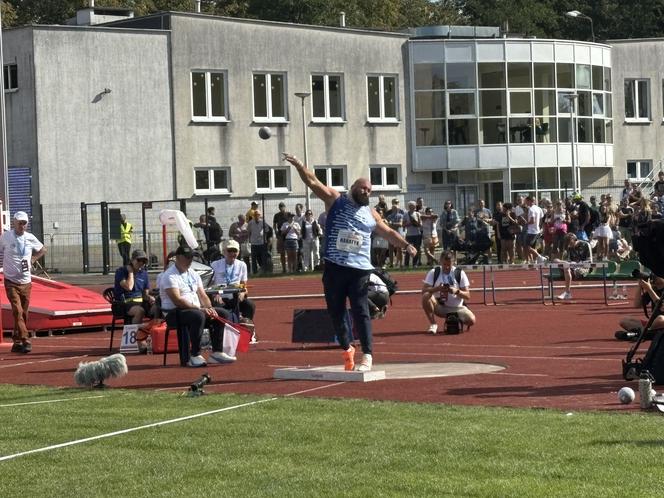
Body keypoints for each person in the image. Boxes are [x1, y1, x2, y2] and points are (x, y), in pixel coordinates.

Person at [284, 152, 416, 372]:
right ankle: (347, 349)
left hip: (359, 270)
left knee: (360, 310)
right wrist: (299, 165)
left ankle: (368, 355)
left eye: (370, 190)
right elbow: (312, 181)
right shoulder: (336, 200)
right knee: (335, 312)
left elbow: (389, 232)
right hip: (335, 268)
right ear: (354, 187)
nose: (367, 192)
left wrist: (406, 245)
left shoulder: (370, 213)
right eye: (364, 188)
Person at [158, 245, 233, 367]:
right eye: (186, 257)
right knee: (198, 316)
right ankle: (195, 354)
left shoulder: (193, 273)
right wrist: (200, 309)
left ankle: (217, 352)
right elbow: (177, 300)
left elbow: (202, 295)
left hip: (194, 310)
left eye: (191, 258)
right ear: (177, 258)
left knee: (222, 313)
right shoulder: (169, 276)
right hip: (174, 313)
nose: (189, 260)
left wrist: (209, 308)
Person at [0, 212, 47, 353]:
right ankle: (26, 339)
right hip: (11, 280)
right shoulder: (6, 237)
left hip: (26, 281)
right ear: (14, 222)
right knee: (17, 310)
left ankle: (17, 340)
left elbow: (43, 249)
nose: (22, 225)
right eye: (20, 222)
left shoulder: (30, 238)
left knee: (24, 313)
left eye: (24, 223)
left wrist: (33, 259)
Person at [211, 240, 257, 342]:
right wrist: (215, 294)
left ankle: (248, 330)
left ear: (238, 252)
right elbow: (210, 284)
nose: (232, 253)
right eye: (230, 250)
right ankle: (220, 335)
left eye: (235, 251)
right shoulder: (215, 265)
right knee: (218, 309)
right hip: (221, 297)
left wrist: (242, 292)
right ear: (224, 252)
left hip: (236, 297)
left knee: (250, 305)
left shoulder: (242, 265)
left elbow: (243, 284)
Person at [421, 251, 475, 334]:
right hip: (440, 307)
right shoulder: (434, 272)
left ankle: (454, 320)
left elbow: (468, 296)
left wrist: (456, 291)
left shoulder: (459, 273)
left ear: (453, 263)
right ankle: (433, 324)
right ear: (440, 262)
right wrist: (437, 288)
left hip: (457, 308)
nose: (446, 267)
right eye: (444, 264)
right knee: (426, 296)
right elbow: (423, 290)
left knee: (471, 321)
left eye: (448, 265)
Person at [113, 249, 155, 353]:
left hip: (139, 301)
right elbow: (129, 287)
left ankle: (156, 339)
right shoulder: (121, 272)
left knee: (157, 308)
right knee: (139, 311)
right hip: (124, 303)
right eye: (139, 260)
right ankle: (138, 341)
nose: (141, 263)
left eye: (144, 261)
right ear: (132, 260)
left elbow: (145, 294)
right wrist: (131, 272)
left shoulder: (144, 274)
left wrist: (150, 298)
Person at [615, 273, 664, 341]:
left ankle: (642, 334)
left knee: (660, 319)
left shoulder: (651, 290)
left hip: (661, 322)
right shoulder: (654, 289)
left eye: (657, 275)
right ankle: (645, 334)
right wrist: (640, 286)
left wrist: (649, 289)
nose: (654, 277)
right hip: (652, 324)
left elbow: (661, 306)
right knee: (624, 321)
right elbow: (637, 305)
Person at [553, 232, 592, 300]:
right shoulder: (569, 247)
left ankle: (567, 293)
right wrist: (560, 261)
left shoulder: (586, 245)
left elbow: (590, 261)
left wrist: (577, 264)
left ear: (575, 239)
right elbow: (568, 261)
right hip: (572, 267)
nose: (570, 245)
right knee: (563, 266)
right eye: (568, 244)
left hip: (584, 268)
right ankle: (567, 293)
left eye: (571, 243)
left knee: (566, 267)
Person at [248, 209, 269, 273]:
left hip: (262, 243)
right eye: (255, 215)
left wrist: (263, 233)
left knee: (263, 258)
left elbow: (267, 230)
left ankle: (264, 271)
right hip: (254, 243)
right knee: (253, 259)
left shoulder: (263, 222)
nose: (257, 216)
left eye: (258, 215)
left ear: (260, 215)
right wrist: (249, 240)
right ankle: (255, 271)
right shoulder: (251, 222)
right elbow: (249, 232)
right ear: (254, 215)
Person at [403, 200, 422, 267]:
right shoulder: (405, 214)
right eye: (411, 206)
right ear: (409, 207)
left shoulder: (418, 214)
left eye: (413, 206)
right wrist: (410, 223)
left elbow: (420, 224)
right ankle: (406, 264)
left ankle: (415, 263)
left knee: (416, 249)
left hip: (417, 234)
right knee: (408, 249)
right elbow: (403, 224)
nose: (412, 207)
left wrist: (416, 223)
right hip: (409, 234)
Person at [273, 202, 290, 273]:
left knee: (289, 252)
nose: (281, 208)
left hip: (288, 235)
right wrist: (276, 232)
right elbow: (274, 225)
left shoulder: (288, 214)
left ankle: (290, 267)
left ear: (285, 207)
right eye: (280, 207)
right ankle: (284, 268)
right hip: (280, 235)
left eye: (282, 206)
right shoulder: (276, 215)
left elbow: (291, 222)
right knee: (282, 253)